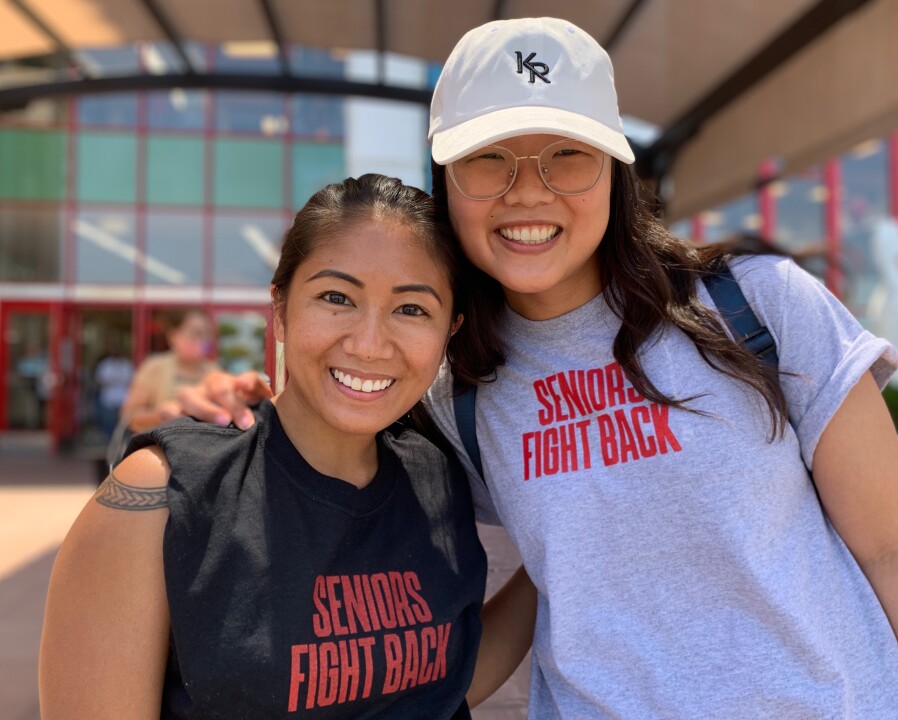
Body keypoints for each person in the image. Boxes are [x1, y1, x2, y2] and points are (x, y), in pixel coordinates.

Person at [176, 18, 898, 719]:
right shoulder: (456, 391)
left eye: (567, 155)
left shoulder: (759, 307)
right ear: (445, 181)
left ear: (613, 170)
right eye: (489, 159)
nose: (529, 192)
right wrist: (236, 416)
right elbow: (322, 474)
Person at [39, 175, 535, 719]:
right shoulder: (163, 497)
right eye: (336, 298)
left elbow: (441, 687)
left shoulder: (437, 477)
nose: (369, 344)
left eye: (412, 309)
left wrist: (556, 561)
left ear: (450, 330)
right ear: (280, 309)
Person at [121, 307, 220, 432]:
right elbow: (129, 414)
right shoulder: (154, 367)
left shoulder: (215, 371)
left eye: (207, 334)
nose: (203, 339)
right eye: (196, 333)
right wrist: (159, 416)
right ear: (174, 335)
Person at [93, 343, 135, 440]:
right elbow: (98, 381)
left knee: (122, 424)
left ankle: (121, 441)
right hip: (109, 399)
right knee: (108, 422)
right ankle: (109, 441)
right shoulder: (105, 364)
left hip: (124, 399)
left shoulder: (127, 364)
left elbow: (133, 381)